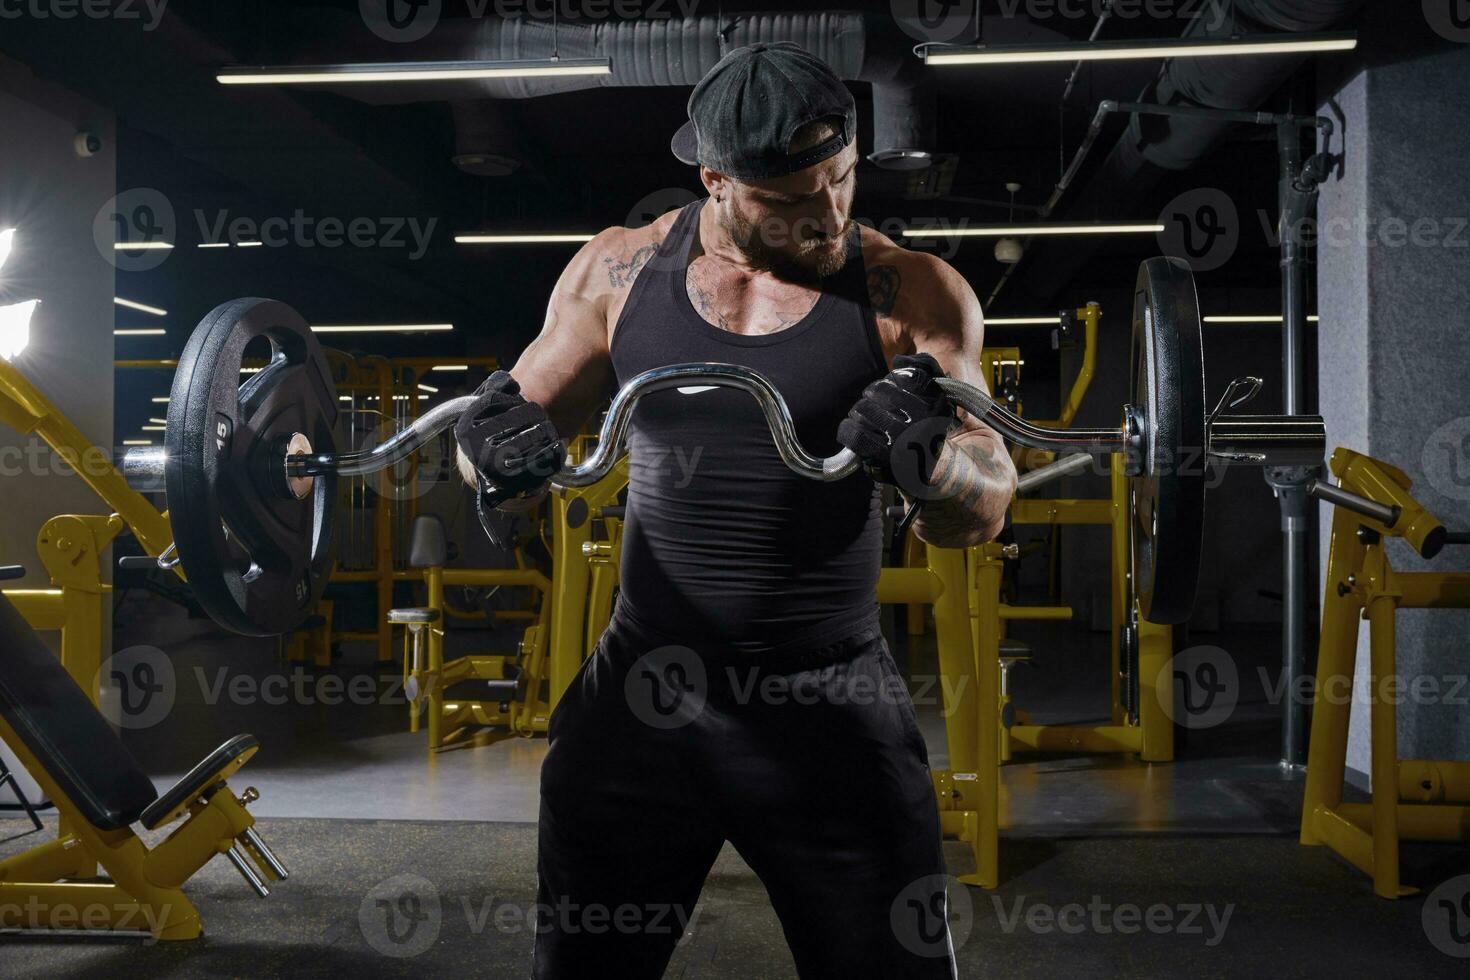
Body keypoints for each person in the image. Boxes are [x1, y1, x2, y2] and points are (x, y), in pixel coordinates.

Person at [454, 41, 1016, 980]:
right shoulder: (617, 274)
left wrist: (929, 464)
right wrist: (488, 455)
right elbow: (508, 437)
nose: (828, 214)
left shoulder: (910, 291)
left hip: (830, 705)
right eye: (790, 201)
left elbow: (988, 501)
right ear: (715, 179)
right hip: (646, 696)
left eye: (840, 179)